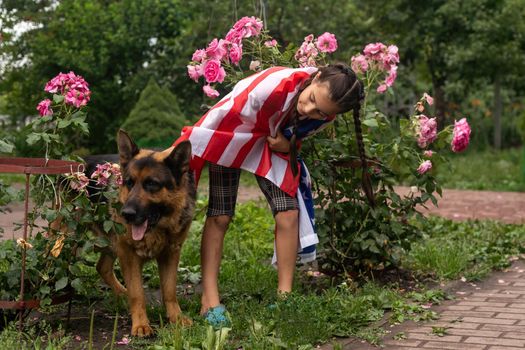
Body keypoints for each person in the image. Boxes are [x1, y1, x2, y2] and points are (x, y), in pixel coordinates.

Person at [174, 63, 374, 327]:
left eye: (320, 111)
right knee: (220, 215)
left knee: (288, 212)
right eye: (312, 99)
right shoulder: (270, 87)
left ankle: (285, 297)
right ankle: (209, 300)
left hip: (271, 143)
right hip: (231, 134)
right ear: (316, 77)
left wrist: (288, 144)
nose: (309, 110)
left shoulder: (325, 113)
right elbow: (221, 117)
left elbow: (299, 133)